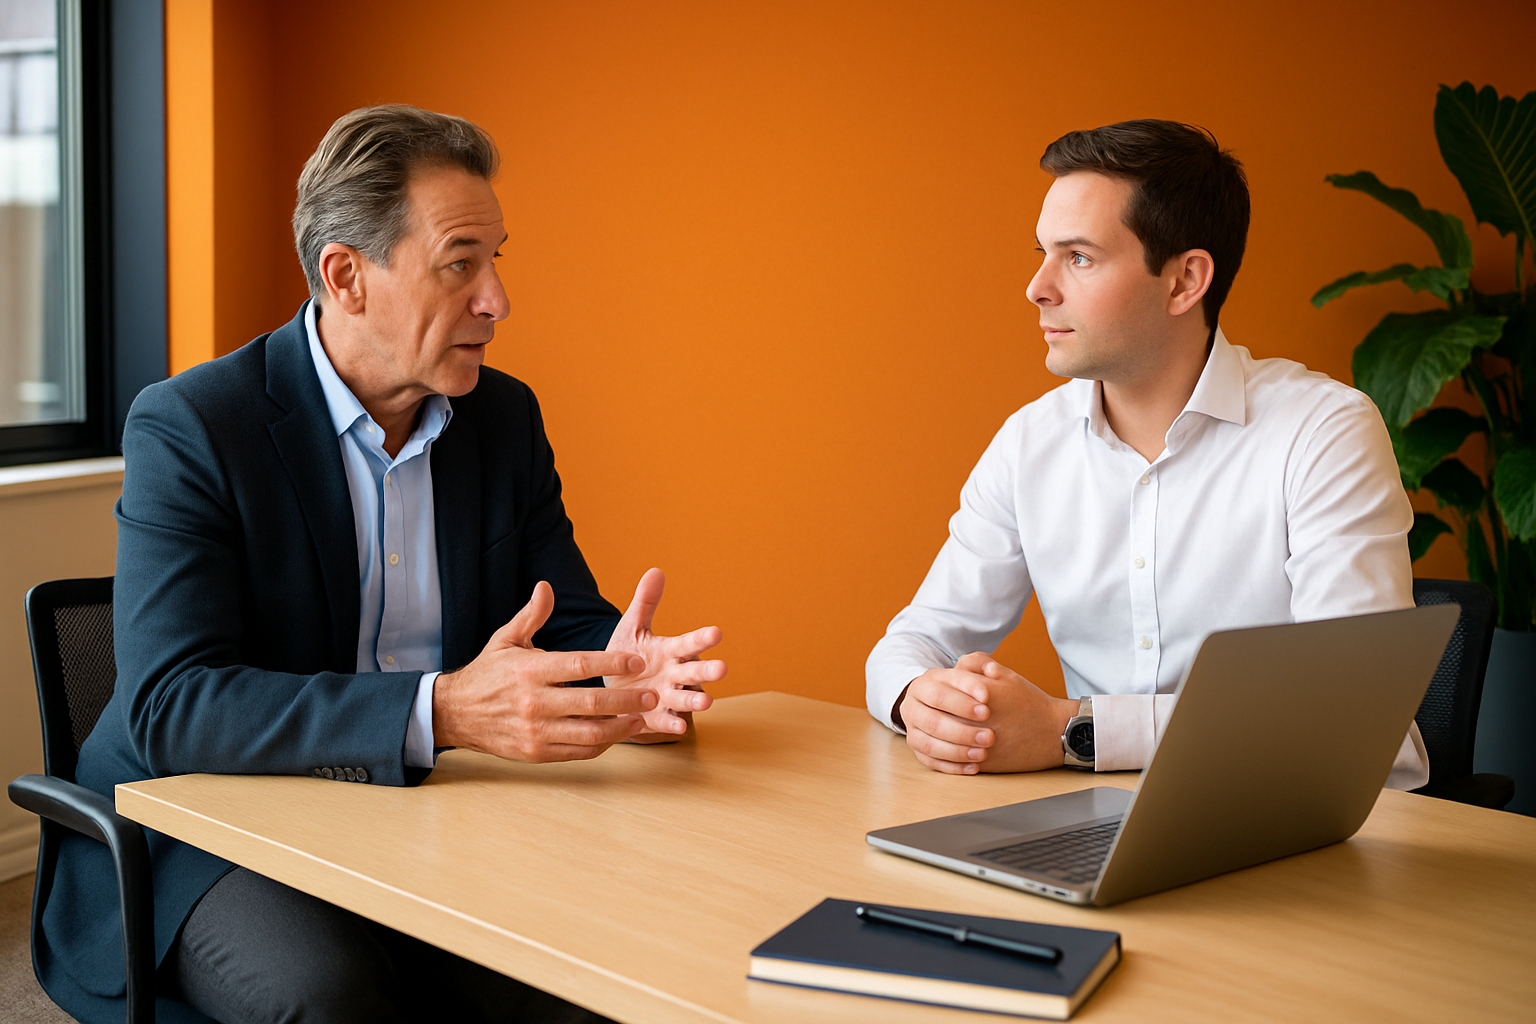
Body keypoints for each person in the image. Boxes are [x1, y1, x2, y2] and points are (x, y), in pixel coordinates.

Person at [42, 105, 724, 1024]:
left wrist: (618, 669)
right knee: (333, 999)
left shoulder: (503, 420)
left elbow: (557, 618)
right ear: (346, 276)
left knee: (608, 964)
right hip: (211, 827)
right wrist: (442, 711)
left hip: (433, 814)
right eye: (459, 264)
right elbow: (173, 704)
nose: (497, 301)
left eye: (497, 260)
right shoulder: (195, 425)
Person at [866, 119, 1427, 788]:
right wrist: (923, 701)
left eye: (1077, 257)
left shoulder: (1323, 431)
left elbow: (1358, 717)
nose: (1037, 287)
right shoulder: (1029, 444)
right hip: (1097, 820)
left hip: (1300, 828)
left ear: (1185, 280)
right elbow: (912, 641)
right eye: (1042, 253)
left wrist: (1072, 731)